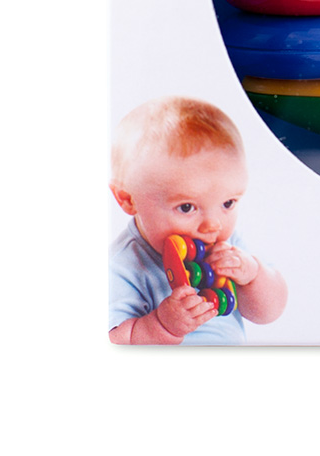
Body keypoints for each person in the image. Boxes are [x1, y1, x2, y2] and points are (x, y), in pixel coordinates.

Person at [108, 96, 287, 344]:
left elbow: (269, 313)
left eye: (228, 203)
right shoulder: (121, 265)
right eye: (187, 207)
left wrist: (252, 275)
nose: (212, 225)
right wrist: (161, 326)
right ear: (128, 199)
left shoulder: (228, 247)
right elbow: (112, 343)